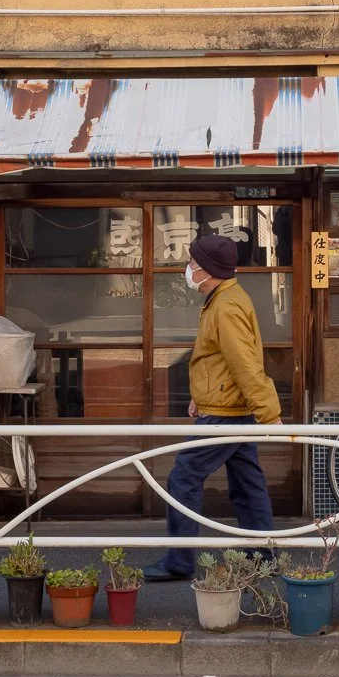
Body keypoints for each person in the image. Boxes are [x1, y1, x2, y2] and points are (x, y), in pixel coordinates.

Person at [142, 234, 282, 581]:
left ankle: (180, 561)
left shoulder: (225, 306)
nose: (187, 270)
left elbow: (244, 364)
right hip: (226, 407)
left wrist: (270, 413)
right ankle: (262, 555)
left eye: (192, 264)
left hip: (226, 414)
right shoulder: (225, 297)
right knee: (247, 483)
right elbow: (218, 361)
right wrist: (200, 397)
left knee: (184, 477)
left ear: (207, 270)